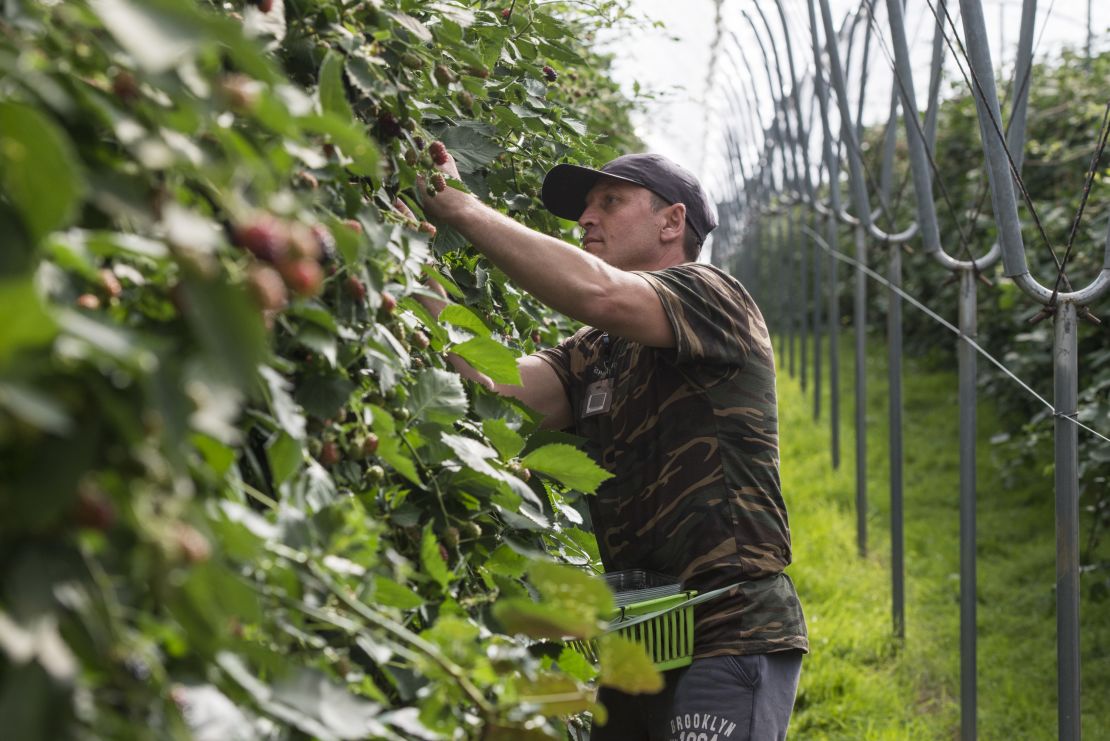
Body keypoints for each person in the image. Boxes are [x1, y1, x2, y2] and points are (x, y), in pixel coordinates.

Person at [417, 149, 807, 741]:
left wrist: (460, 207)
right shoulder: (598, 350)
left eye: (610, 202)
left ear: (672, 222)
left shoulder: (713, 297)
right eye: (585, 209)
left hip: (731, 625)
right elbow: (496, 386)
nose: (586, 220)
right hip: (644, 640)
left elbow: (598, 293)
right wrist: (409, 266)